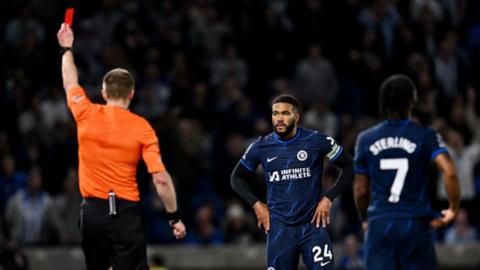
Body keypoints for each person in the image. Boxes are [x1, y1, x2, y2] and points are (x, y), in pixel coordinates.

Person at [57, 23, 186, 269]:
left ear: (104, 93)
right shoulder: (142, 128)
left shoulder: (85, 112)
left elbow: (68, 80)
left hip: (92, 213)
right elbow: (160, 179)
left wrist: (66, 48)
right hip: (126, 214)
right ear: (132, 94)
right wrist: (174, 217)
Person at [231, 94, 354, 270]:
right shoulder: (261, 146)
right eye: (275, 114)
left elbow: (349, 167)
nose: (279, 118)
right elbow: (236, 178)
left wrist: (328, 198)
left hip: (313, 225)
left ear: (296, 116)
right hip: (280, 229)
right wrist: (257, 204)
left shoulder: (317, 141)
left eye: (285, 113)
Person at [353, 74, 461, 270]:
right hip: (415, 224)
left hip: (381, 223)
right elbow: (450, 172)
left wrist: (365, 218)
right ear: (412, 101)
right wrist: (453, 208)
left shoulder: (365, 139)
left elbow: (361, 189)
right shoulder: (426, 135)